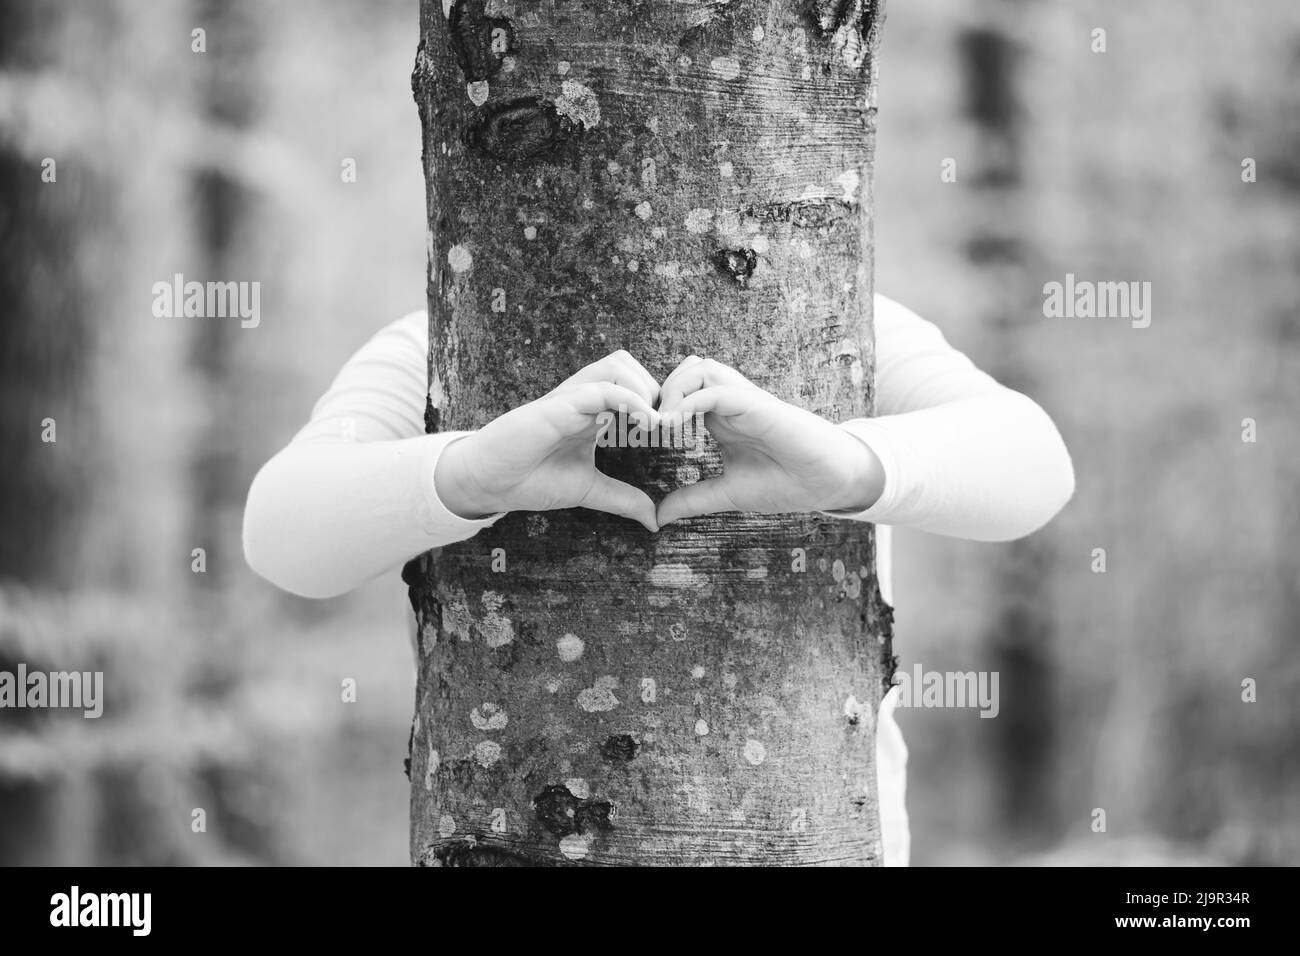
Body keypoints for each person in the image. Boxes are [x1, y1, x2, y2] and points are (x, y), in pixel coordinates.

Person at [242, 293, 1076, 866]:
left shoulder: (845, 319)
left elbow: (1033, 464)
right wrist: (466, 476)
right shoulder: (443, 334)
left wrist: (851, 468)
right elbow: (284, 532)